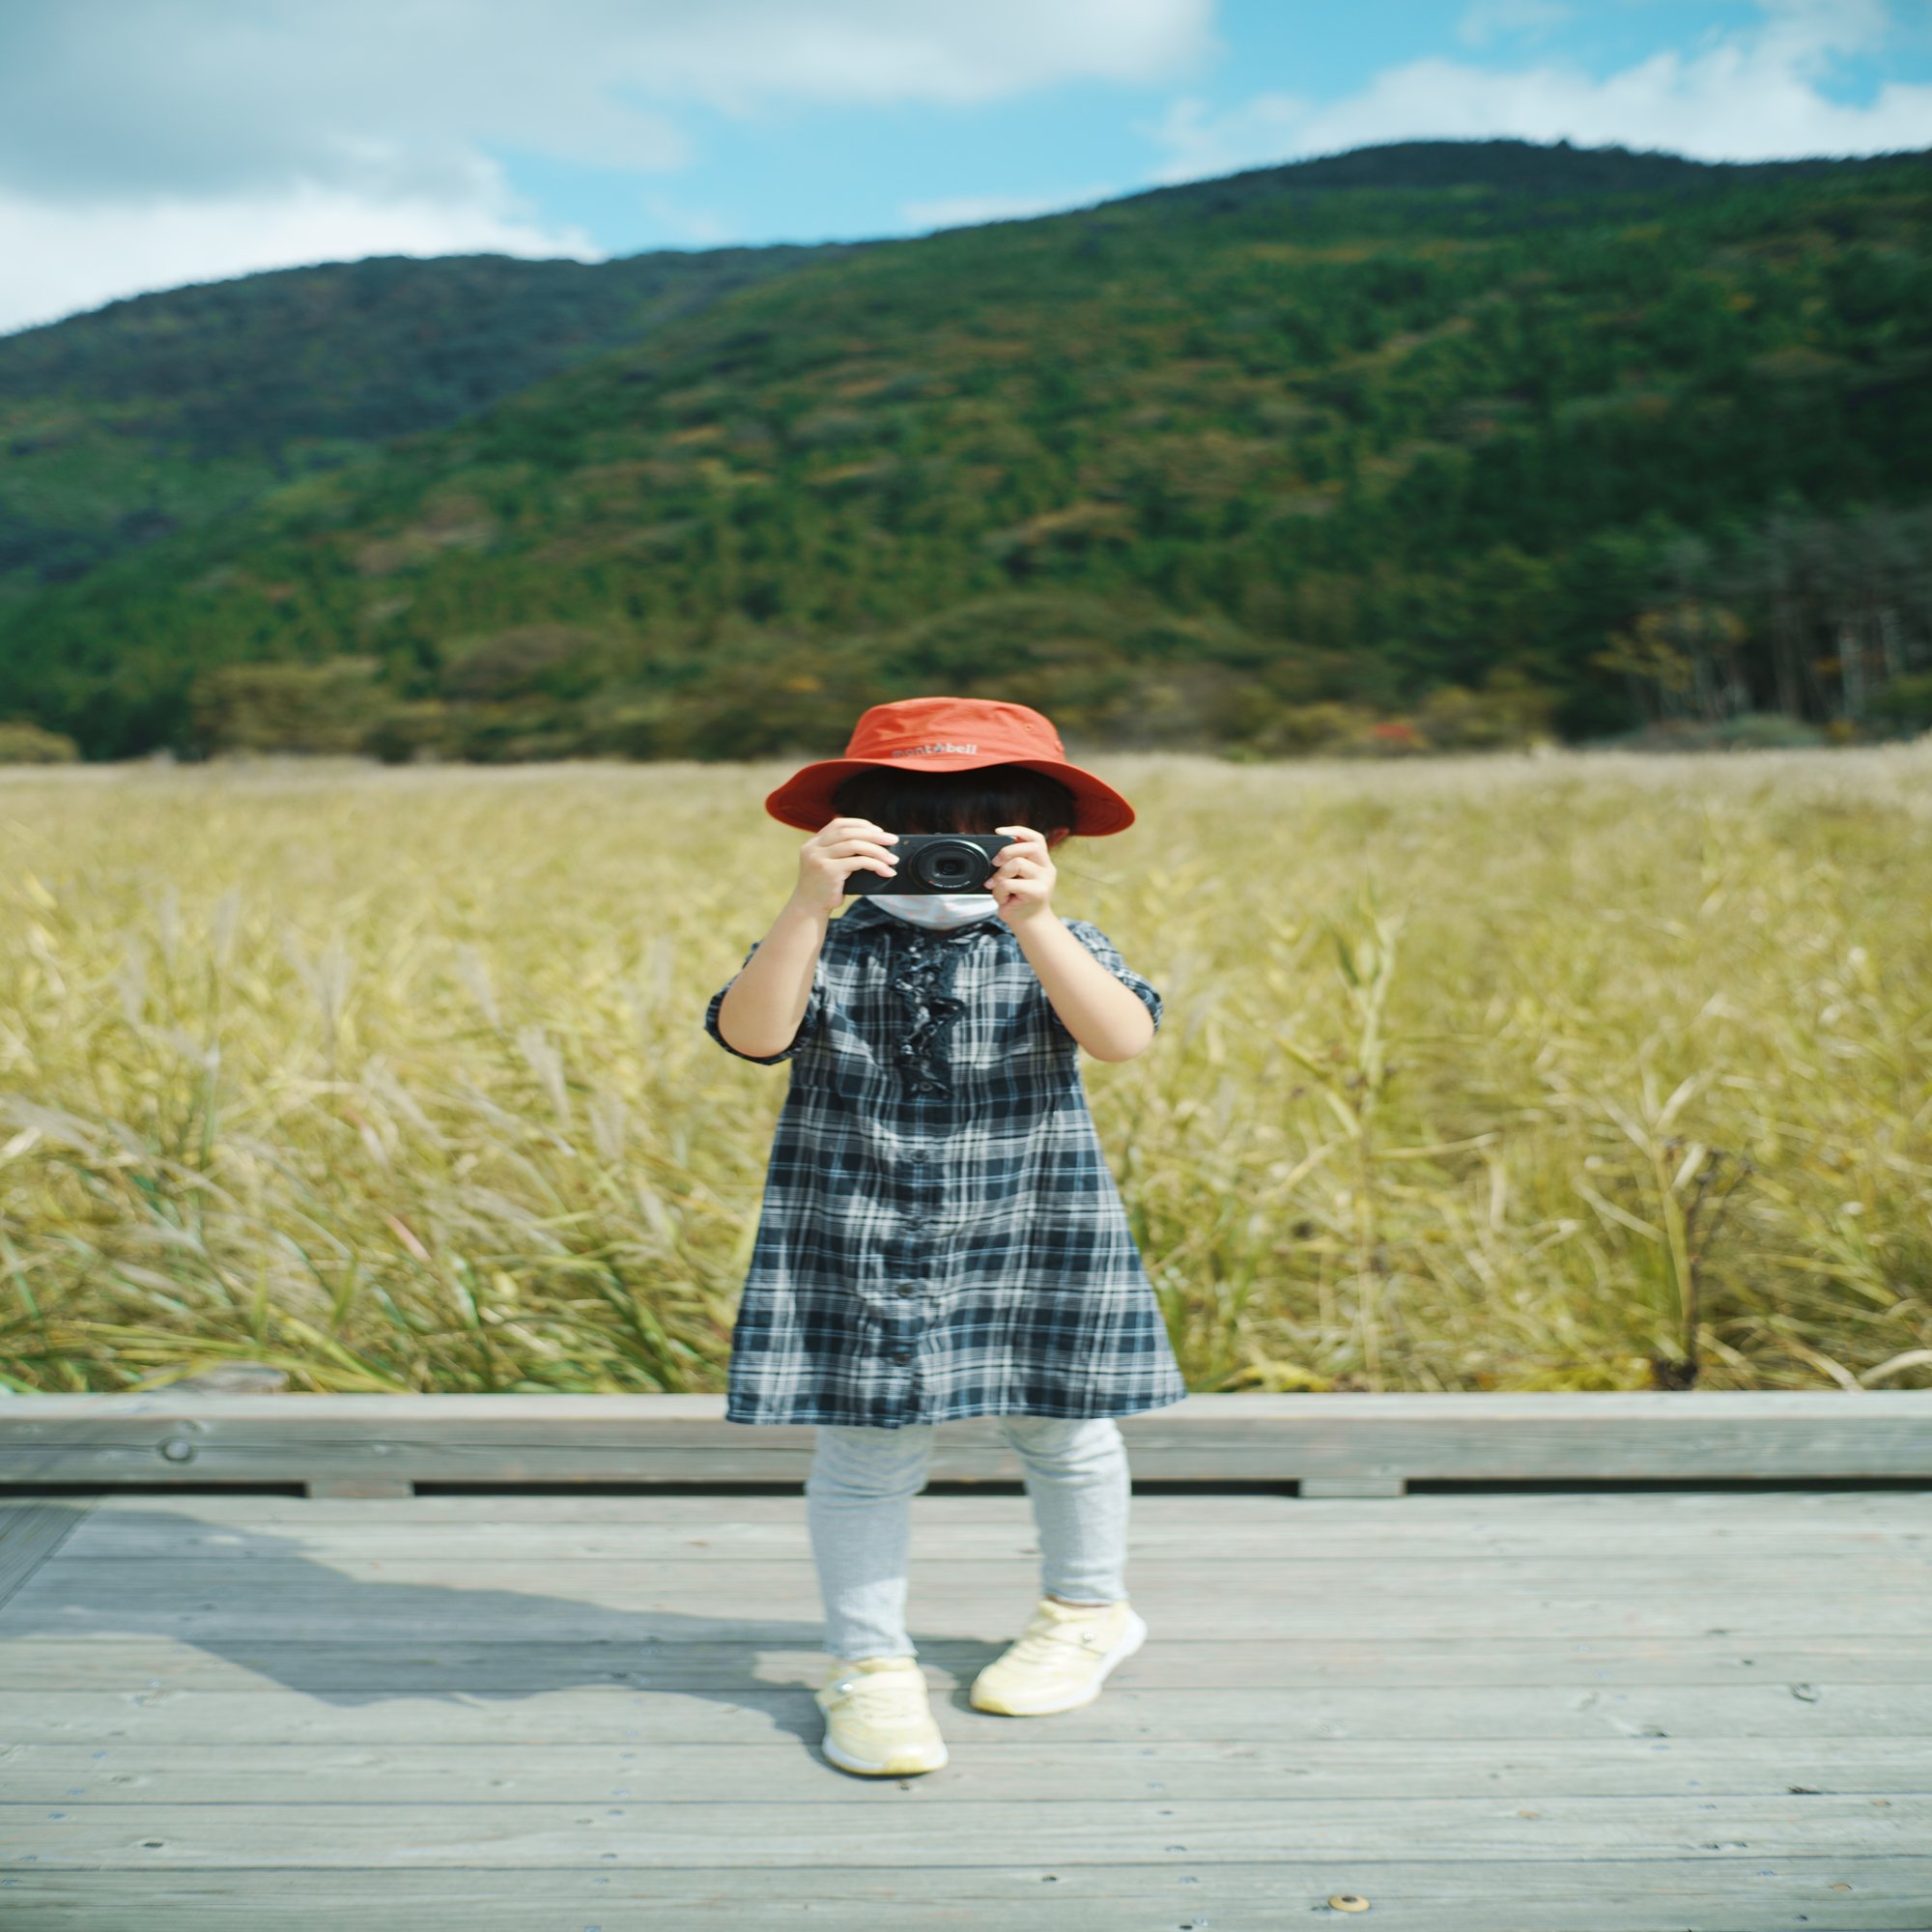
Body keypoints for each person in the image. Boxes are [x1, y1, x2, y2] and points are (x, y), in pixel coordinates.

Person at [702, 694, 1186, 1778]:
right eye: (921, 830)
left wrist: (1035, 921)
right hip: (856, 1225)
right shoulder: (827, 938)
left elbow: (1121, 1038)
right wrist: (804, 907)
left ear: (1043, 839)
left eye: (978, 830)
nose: (945, 857)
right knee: (865, 1449)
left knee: (1062, 1424)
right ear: (864, 830)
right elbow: (752, 1032)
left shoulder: (1057, 938)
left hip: (1033, 1218)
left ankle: (1086, 1610)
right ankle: (867, 1664)